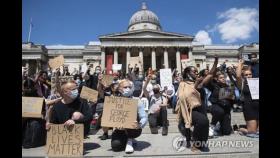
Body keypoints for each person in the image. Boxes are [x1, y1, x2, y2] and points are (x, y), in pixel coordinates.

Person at [175, 66, 211, 152]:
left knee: (204, 124)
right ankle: (195, 143)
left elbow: (210, 75)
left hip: (201, 107)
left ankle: (201, 143)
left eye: (197, 71)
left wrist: (216, 61)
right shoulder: (183, 84)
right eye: (194, 71)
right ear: (188, 73)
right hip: (190, 109)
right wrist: (195, 85)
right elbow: (184, 97)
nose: (196, 73)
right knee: (203, 121)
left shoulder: (200, 82)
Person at [109, 79, 147, 153]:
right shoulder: (114, 100)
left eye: (129, 87)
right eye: (125, 87)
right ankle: (124, 139)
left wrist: (139, 125)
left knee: (133, 128)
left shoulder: (137, 100)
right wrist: (115, 125)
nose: (128, 89)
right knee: (116, 146)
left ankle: (130, 139)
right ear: (120, 89)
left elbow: (144, 117)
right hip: (119, 128)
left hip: (133, 128)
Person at [236, 59, 259, 138]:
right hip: (249, 108)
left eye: (250, 74)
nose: (248, 76)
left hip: (258, 107)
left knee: (258, 132)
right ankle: (241, 129)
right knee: (252, 133)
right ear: (243, 76)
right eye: (246, 75)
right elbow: (238, 76)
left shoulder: (256, 82)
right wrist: (240, 64)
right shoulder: (242, 84)